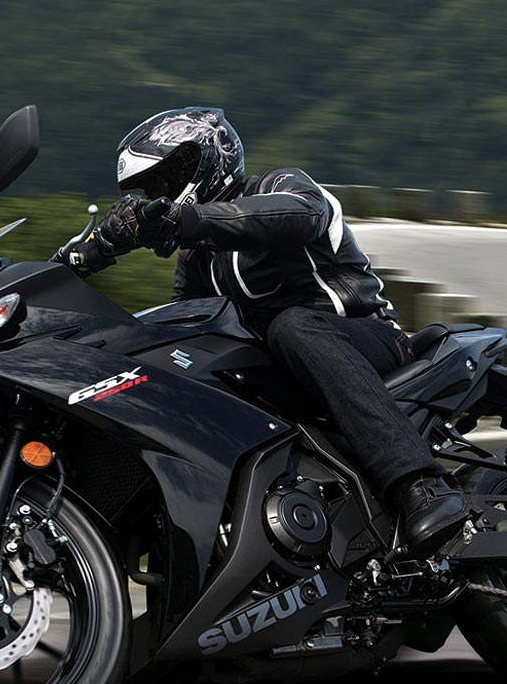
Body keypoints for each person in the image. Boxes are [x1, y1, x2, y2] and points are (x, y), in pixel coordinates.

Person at [59, 106, 469, 555]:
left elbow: (294, 217)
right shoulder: (196, 260)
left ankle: (419, 484)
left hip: (369, 341)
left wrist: (184, 221)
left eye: (163, 182)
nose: (158, 196)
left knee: (291, 324)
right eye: (149, 190)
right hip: (286, 368)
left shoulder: (280, 186)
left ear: (202, 161)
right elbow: (190, 322)